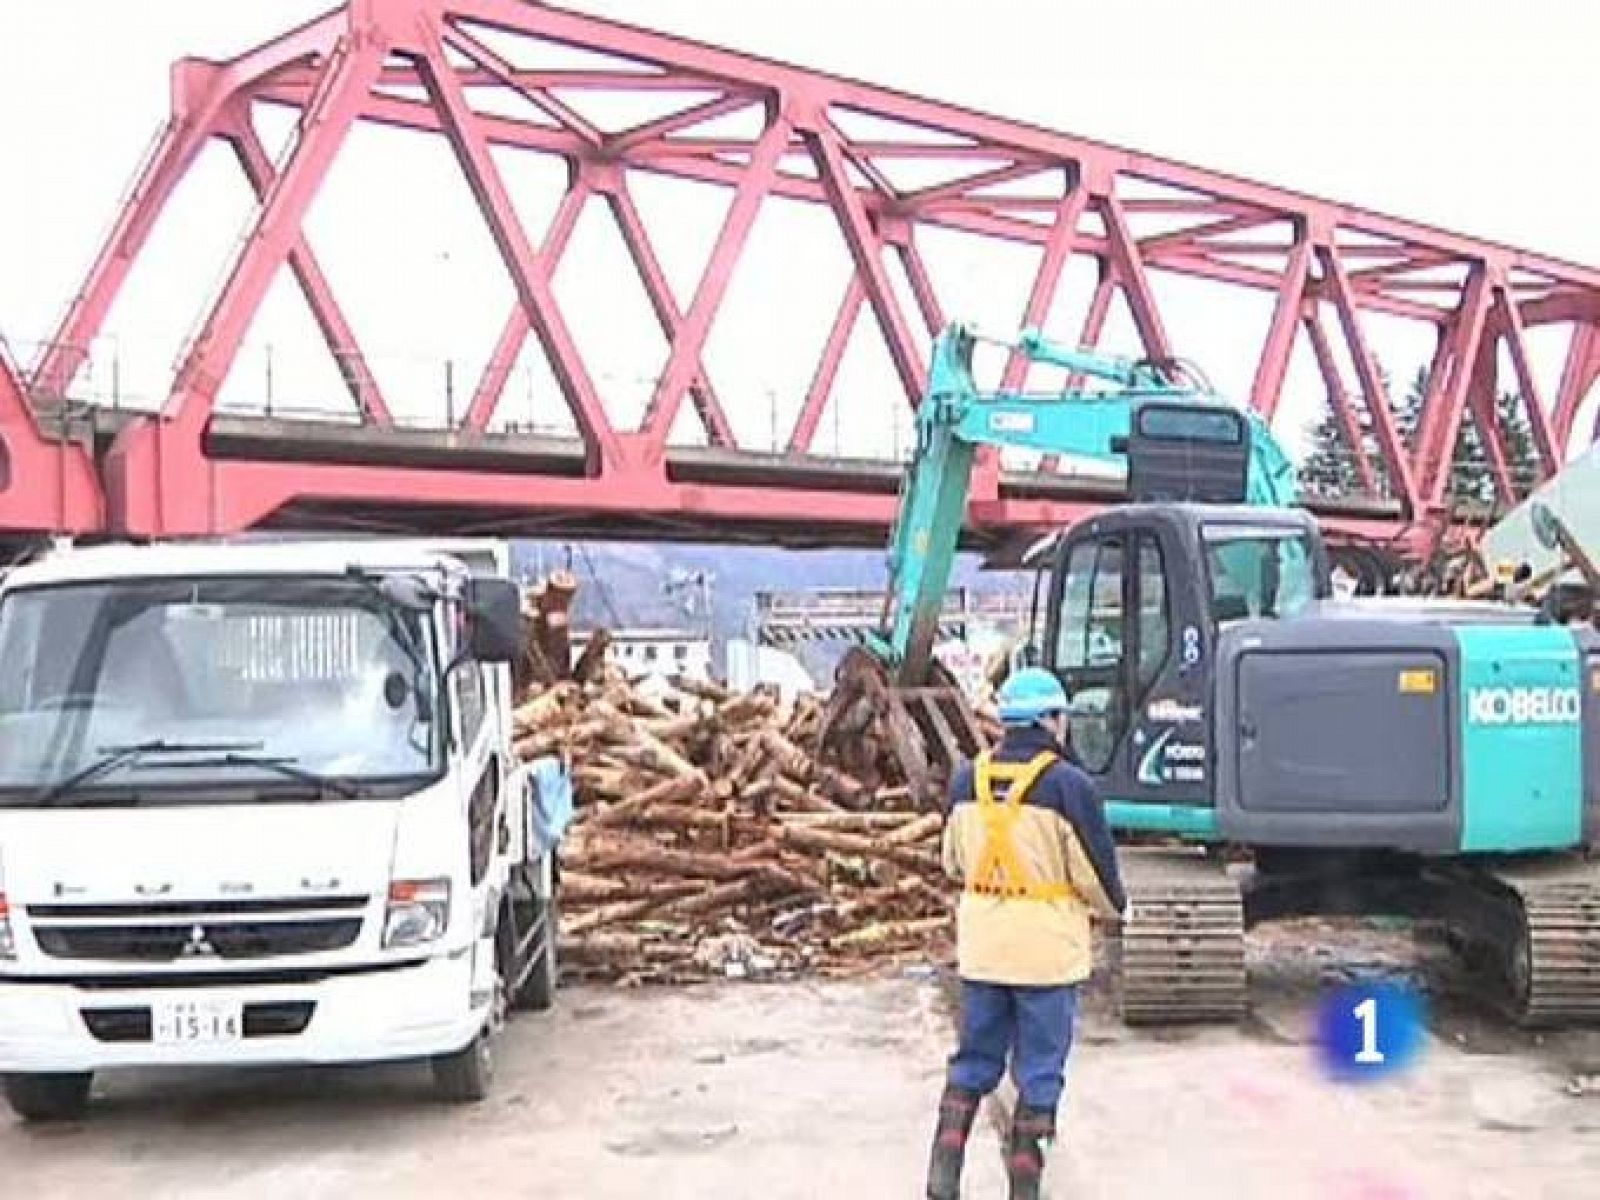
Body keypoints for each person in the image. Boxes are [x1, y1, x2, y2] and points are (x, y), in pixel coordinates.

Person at [924, 666, 1128, 1200]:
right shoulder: (1069, 786)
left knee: (973, 1060)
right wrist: (1116, 912)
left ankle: (943, 1172)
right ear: (1052, 720)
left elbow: (950, 861)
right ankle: (1025, 1186)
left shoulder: (967, 778)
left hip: (984, 948)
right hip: (1046, 954)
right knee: (1039, 1071)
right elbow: (1096, 875)